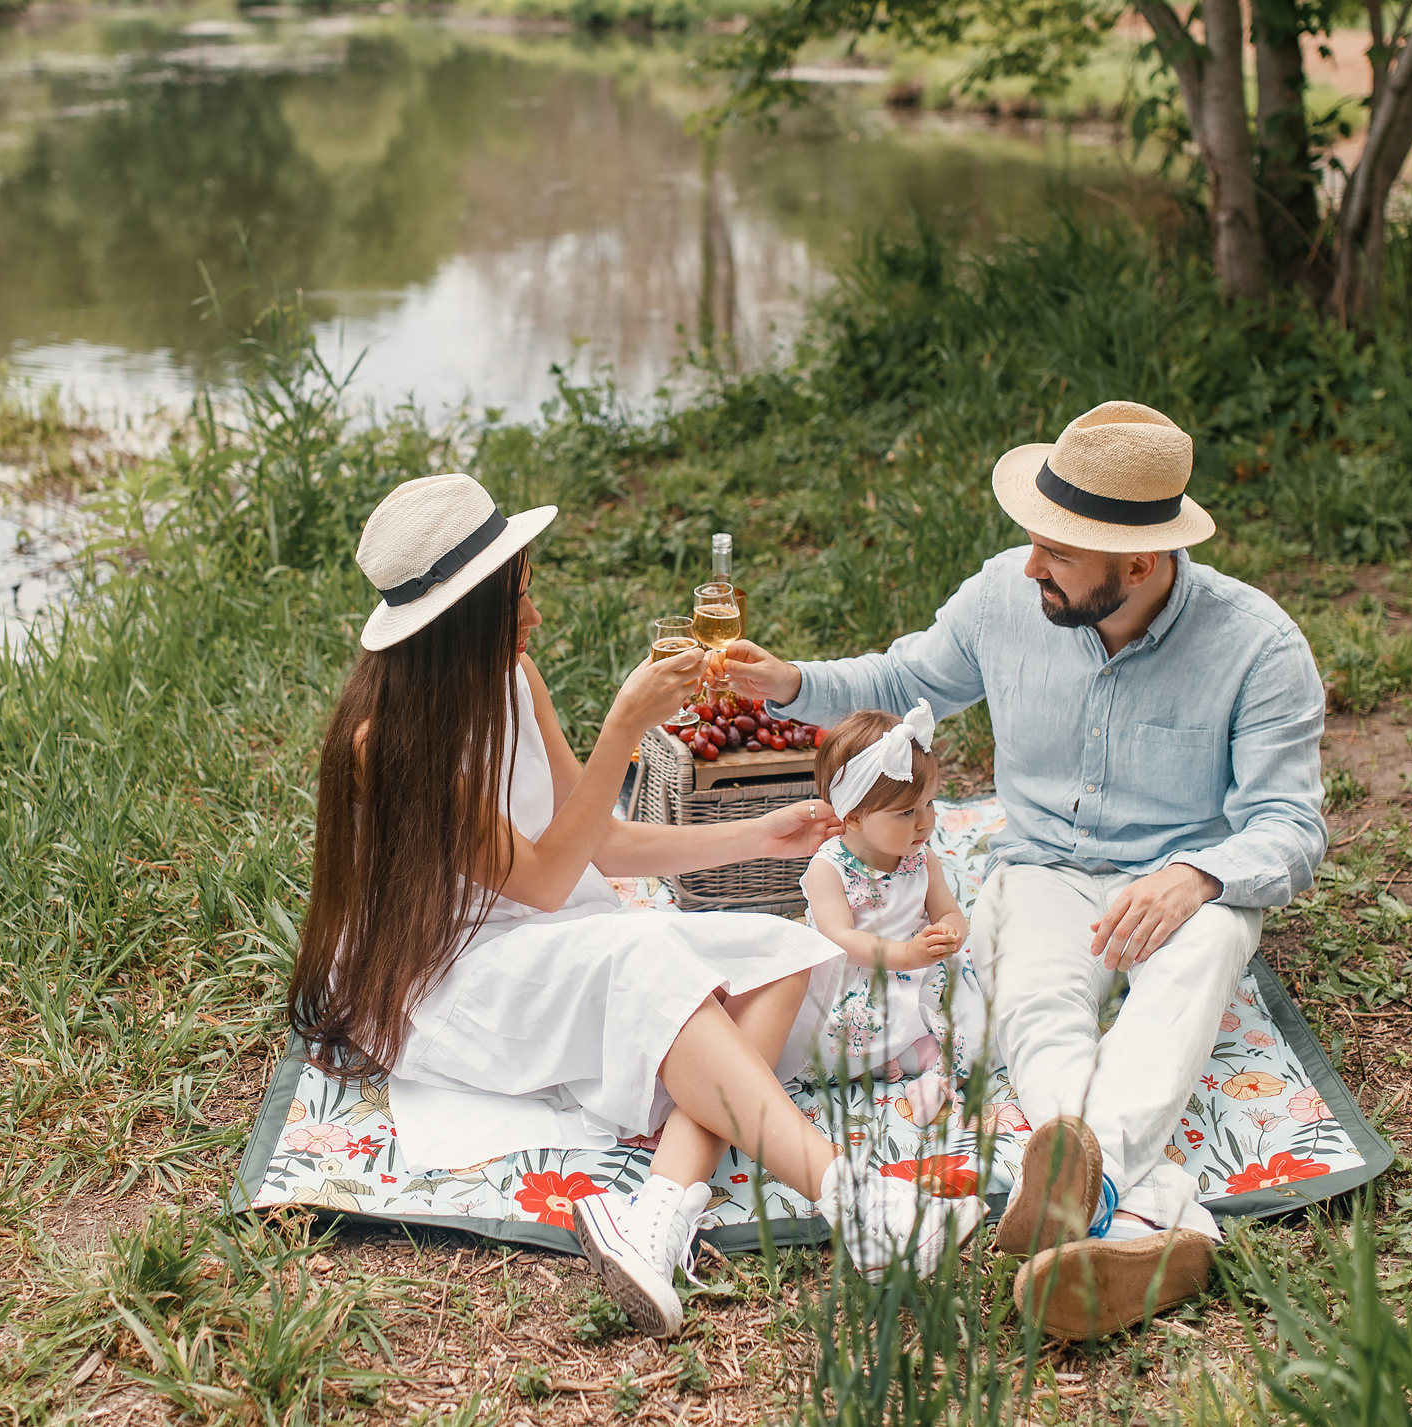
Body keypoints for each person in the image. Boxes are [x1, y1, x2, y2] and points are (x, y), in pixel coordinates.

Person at [286, 473, 982, 1340]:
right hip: (454, 974)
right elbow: (543, 878)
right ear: (459, 619)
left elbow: (600, 844)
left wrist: (757, 835)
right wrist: (622, 728)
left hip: (554, 933)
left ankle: (657, 1213)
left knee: (785, 950)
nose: (534, 618)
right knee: (651, 960)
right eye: (519, 601)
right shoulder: (384, 745)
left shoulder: (513, 675)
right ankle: (860, 1202)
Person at [720, 401, 1327, 1339]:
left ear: (1141, 562)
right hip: (1045, 868)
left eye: (1060, 553)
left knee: (1201, 962)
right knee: (1038, 1018)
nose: (1033, 565)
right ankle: (1140, 1209)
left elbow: (1289, 827)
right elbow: (900, 676)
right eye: (1035, 541)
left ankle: (1103, 1191)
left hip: (1183, 877)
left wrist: (1200, 876)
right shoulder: (1005, 595)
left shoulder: (1259, 647)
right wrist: (791, 681)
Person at [796, 701, 981, 1126]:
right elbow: (840, 938)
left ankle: (923, 1063)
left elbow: (950, 911)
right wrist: (906, 956)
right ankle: (903, 1058)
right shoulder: (829, 869)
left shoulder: (921, 859)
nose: (925, 823)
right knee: (845, 1036)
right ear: (855, 817)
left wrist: (950, 932)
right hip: (860, 974)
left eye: (930, 805)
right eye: (906, 813)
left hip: (918, 967)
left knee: (979, 1016)